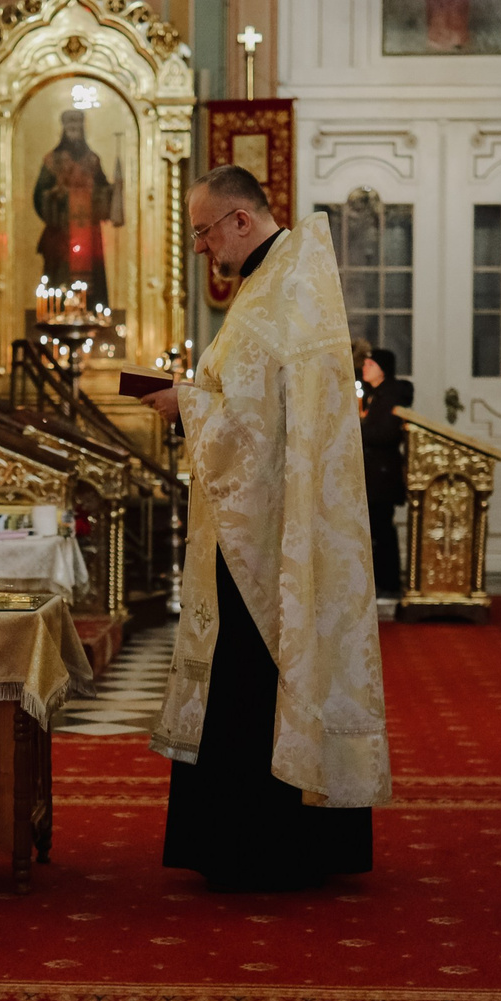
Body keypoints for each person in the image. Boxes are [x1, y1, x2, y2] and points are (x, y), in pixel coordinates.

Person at [136, 166, 388, 890]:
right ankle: (270, 838)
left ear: (241, 221)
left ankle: (262, 844)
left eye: (205, 230)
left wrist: (183, 403)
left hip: (270, 530)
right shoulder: (274, 281)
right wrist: (194, 395)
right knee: (244, 670)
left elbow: (248, 417)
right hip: (256, 518)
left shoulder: (281, 289)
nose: (203, 247)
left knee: (254, 671)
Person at [33, 109, 122, 309]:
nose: (74, 131)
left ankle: (92, 313)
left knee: (92, 285)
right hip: (62, 235)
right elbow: (39, 196)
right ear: (64, 130)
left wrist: (111, 191)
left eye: (77, 127)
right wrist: (57, 197)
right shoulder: (51, 160)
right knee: (60, 281)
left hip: (89, 239)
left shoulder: (93, 160)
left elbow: (102, 190)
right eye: (70, 127)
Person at [359, 346, 413, 597]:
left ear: (383, 369)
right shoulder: (373, 393)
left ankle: (388, 582)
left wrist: (356, 431)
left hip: (382, 473)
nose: (364, 368)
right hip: (372, 473)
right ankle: (378, 580)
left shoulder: (391, 395)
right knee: (375, 528)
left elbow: (386, 433)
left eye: (370, 365)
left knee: (382, 528)